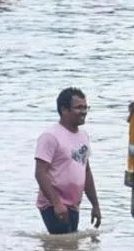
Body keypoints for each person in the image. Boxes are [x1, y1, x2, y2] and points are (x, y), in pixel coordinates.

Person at [35, 87, 101, 235]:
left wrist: (95, 205)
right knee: (63, 250)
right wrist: (56, 203)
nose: (84, 111)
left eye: (85, 107)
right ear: (64, 109)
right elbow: (40, 172)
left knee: (70, 249)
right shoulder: (50, 136)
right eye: (79, 108)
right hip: (53, 205)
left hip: (73, 205)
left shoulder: (83, 136)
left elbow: (86, 171)